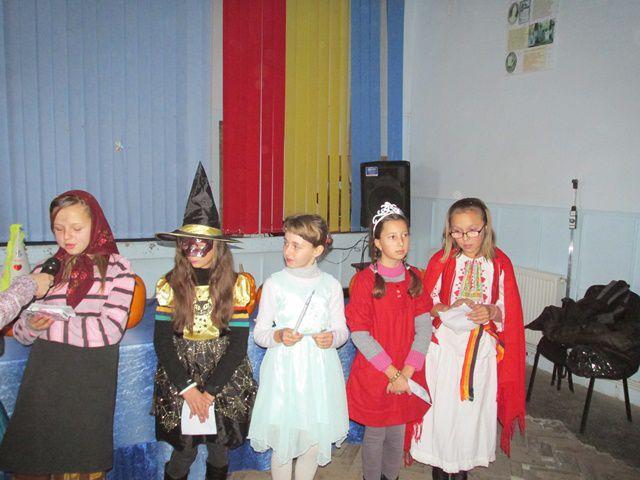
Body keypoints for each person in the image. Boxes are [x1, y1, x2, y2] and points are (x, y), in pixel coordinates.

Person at [0, 190, 135, 479]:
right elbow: (21, 333)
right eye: (58, 229)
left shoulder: (118, 270)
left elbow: (109, 330)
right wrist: (32, 326)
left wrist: (51, 326)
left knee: (78, 465)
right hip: (43, 382)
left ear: (95, 225)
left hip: (86, 385)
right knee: (32, 466)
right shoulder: (46, 271)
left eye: (76, 228)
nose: (66, 237)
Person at [152, 163, 257, 480]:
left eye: (202, 244)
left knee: (219, 446)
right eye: (187, 243)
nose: (193, 250)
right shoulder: (169, 285)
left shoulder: (237, 286)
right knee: (184, 449)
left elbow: (238, 345)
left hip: (223, 374)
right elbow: (162, 342)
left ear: (218, 246)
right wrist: (188, 390)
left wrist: (210, 392)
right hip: (181, 374)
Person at [410, 198, 525, 480]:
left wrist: (491, 311)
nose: (465, 238)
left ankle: (462, 466)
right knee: (442, 408)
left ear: (486, 227)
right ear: (449, 231)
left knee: (470, 411)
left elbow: (509, 309)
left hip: (480, 352)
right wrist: (445, 307)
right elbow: (425, 302)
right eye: (457, 232)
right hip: (445, 350)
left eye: (472, 230)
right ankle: (439, 465)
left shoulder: (500, 263)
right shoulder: (441, 260)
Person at [248, 214, 349, 480]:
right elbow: (260, 333)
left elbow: (342, 331)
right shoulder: (274, 284)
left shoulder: (330, 286)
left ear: (317, 250)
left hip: (318, 371)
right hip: (285, 372)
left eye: (296, 245)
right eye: (286, 243)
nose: (288, 251)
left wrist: (332, 338)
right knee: (284, 440)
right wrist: (278, 335)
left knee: (312, 439)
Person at [346, 202, 431, 480]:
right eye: (392, 236)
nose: (401, 242)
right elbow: (360, 333)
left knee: (397, 430)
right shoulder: (364, 281)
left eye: (405, 235)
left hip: (408, 370)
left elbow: (424, 330)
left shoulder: (415, 279)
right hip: (377, 372)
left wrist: (406, 373)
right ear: (377, 242)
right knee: (376, 433)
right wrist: (392, 373)